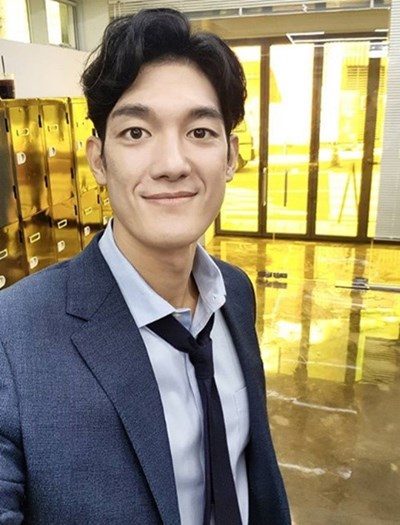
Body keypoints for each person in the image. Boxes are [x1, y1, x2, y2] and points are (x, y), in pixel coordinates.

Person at [0, 8, 291, 524]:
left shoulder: (235, 293)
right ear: (98, 159)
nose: (172, 163)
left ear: (230, 156)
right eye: (136, 132)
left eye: (200, 131)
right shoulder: (13, 335)